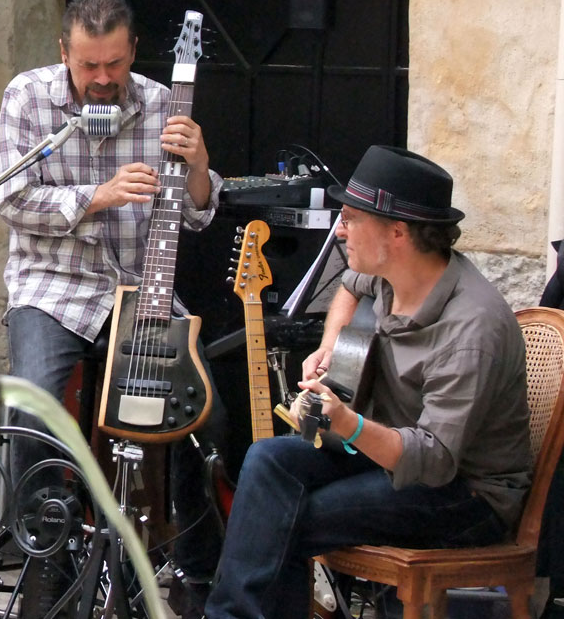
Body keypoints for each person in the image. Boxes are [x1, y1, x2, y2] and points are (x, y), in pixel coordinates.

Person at [203, 145, 533, 619]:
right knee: (269, 459)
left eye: (352, 218)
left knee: (284, 517)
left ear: (397, 232)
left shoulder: (472, 329)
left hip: (467, 494)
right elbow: (347, 287)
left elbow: (434, 461)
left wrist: (349, 423)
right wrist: (332, 349)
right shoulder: (389, 272)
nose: (340, 229)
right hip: (388, 456)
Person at [0, 0, 224, 617]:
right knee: (34, 408)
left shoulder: (159, 105)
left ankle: (198, 575)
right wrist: (96, 196)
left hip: (141, 290)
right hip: (53, 283)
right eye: (89, 65)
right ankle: (51, 567)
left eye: (115, 64)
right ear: (64, 52)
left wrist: (200, 165)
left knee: (205, 419)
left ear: (133, 53)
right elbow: (12, 201)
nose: (102, 79)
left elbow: (199, 215)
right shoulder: (28, 96)